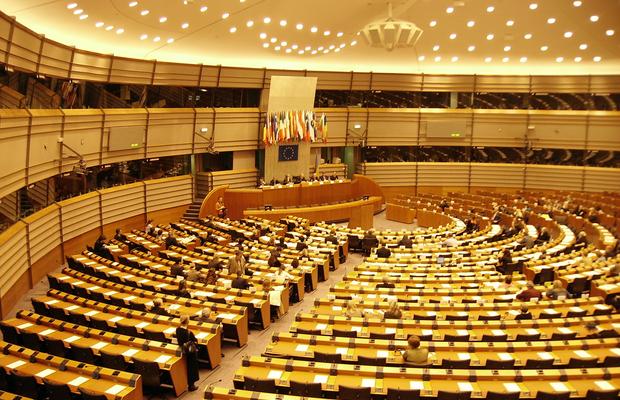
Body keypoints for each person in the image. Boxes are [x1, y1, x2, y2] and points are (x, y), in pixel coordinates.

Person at [176, 315, 199, 391]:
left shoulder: (177, 330)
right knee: (192, 367)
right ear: (188, 322)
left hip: (181, 350)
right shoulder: (189, 332)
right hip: (189, 352)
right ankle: (191, 385)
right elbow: (195, 341)